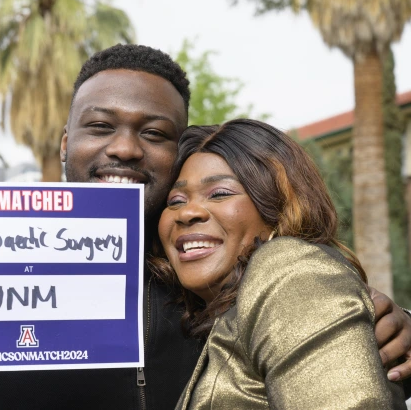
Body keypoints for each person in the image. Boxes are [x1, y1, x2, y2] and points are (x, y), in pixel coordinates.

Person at [0, 45, 411, 410]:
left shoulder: (224, 280)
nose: (124, 148)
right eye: (100, 127)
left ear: (179, 150)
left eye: (155, 134)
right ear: (67, 146)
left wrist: (384, 330)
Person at [154, 120, 406, 408]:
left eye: (220, 193)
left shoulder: (291, 269)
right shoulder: (222, 318)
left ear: (279, 207)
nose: (187, 212)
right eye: (175, 200)